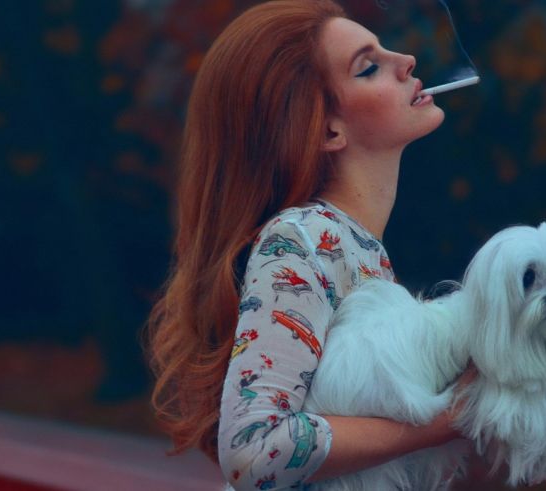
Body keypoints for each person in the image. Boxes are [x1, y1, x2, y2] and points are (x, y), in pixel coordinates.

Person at [144, 1, 477, 489]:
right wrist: (443, 422)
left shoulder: (359, 250)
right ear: (327, 129)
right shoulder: (299, 241)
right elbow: (254, 450)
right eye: (370, 66)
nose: (406, 60)